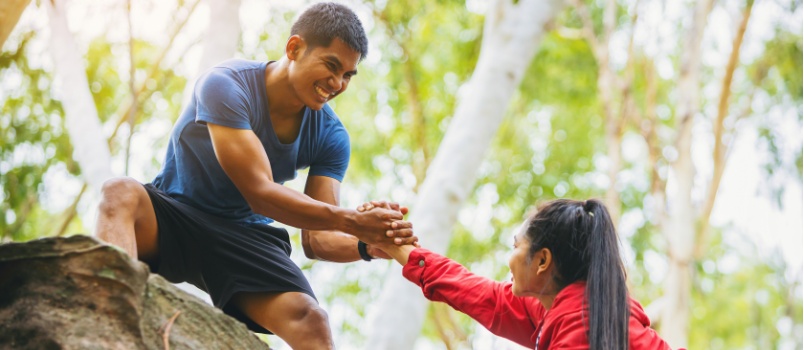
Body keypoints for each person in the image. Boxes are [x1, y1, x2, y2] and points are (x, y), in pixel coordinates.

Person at [95, 3, 415, 349]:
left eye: (348, 75)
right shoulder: (225, 85)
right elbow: (259, 191)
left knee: (312, 322)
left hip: (242, 236)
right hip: (172, 218)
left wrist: (368, 243)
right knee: (119, 193)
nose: (337, 83)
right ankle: (109, 321)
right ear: (294, 48)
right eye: (331, 66)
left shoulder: (331, 136)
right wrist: (353, 220)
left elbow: (318, 240)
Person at [362, 199, 674, 349]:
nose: (509, 258)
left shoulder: (581, 323)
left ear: (542, 261)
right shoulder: (553, 308)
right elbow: (473, 291)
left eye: (515, 245)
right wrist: (393, 245)